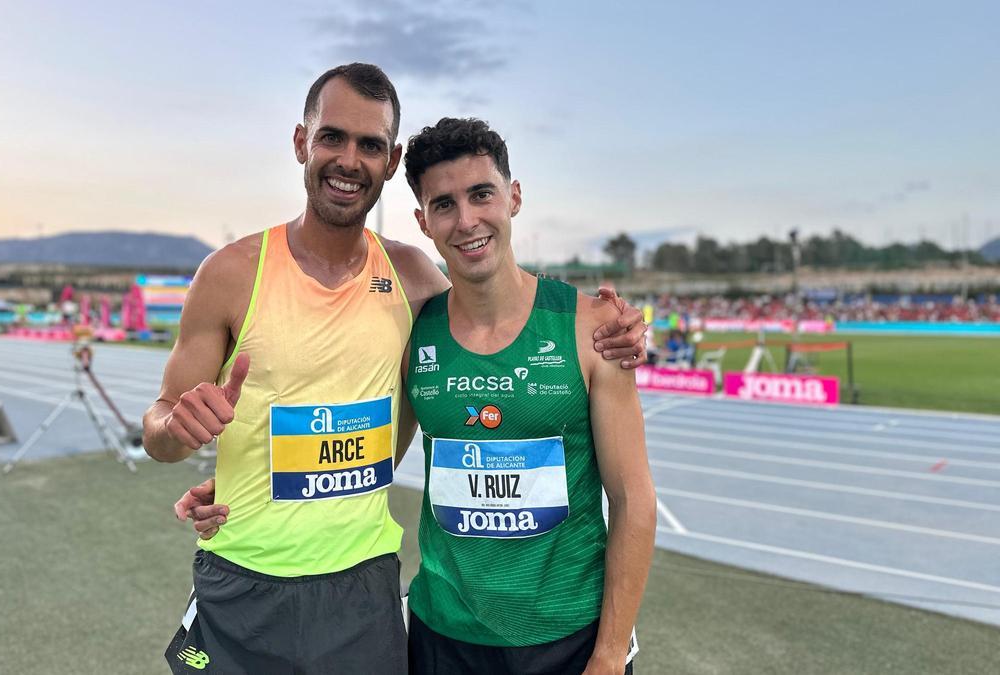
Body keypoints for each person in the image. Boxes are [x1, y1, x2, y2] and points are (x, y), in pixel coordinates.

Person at [148, 63, 648, 675]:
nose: (348, 160)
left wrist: (614, 328)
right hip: (294, 593)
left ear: (391, 159)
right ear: (302, 142)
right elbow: (166, 429)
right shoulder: (240, 274)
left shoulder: (431, 285)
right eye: (332, 137)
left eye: (370, 145)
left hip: (400, 598)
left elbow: (629, 495)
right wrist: (199, 443)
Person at [400, 118, 656, 674]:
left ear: (513, 197)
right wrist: (245, 479)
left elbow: (634, 500)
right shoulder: (415, 331)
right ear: (424, 221)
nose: (466, 220)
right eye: (444, 205)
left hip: (568, 640)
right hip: (442, 636)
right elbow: (367, 451)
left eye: (481, 194)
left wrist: (611, 655)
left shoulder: (592, 328)